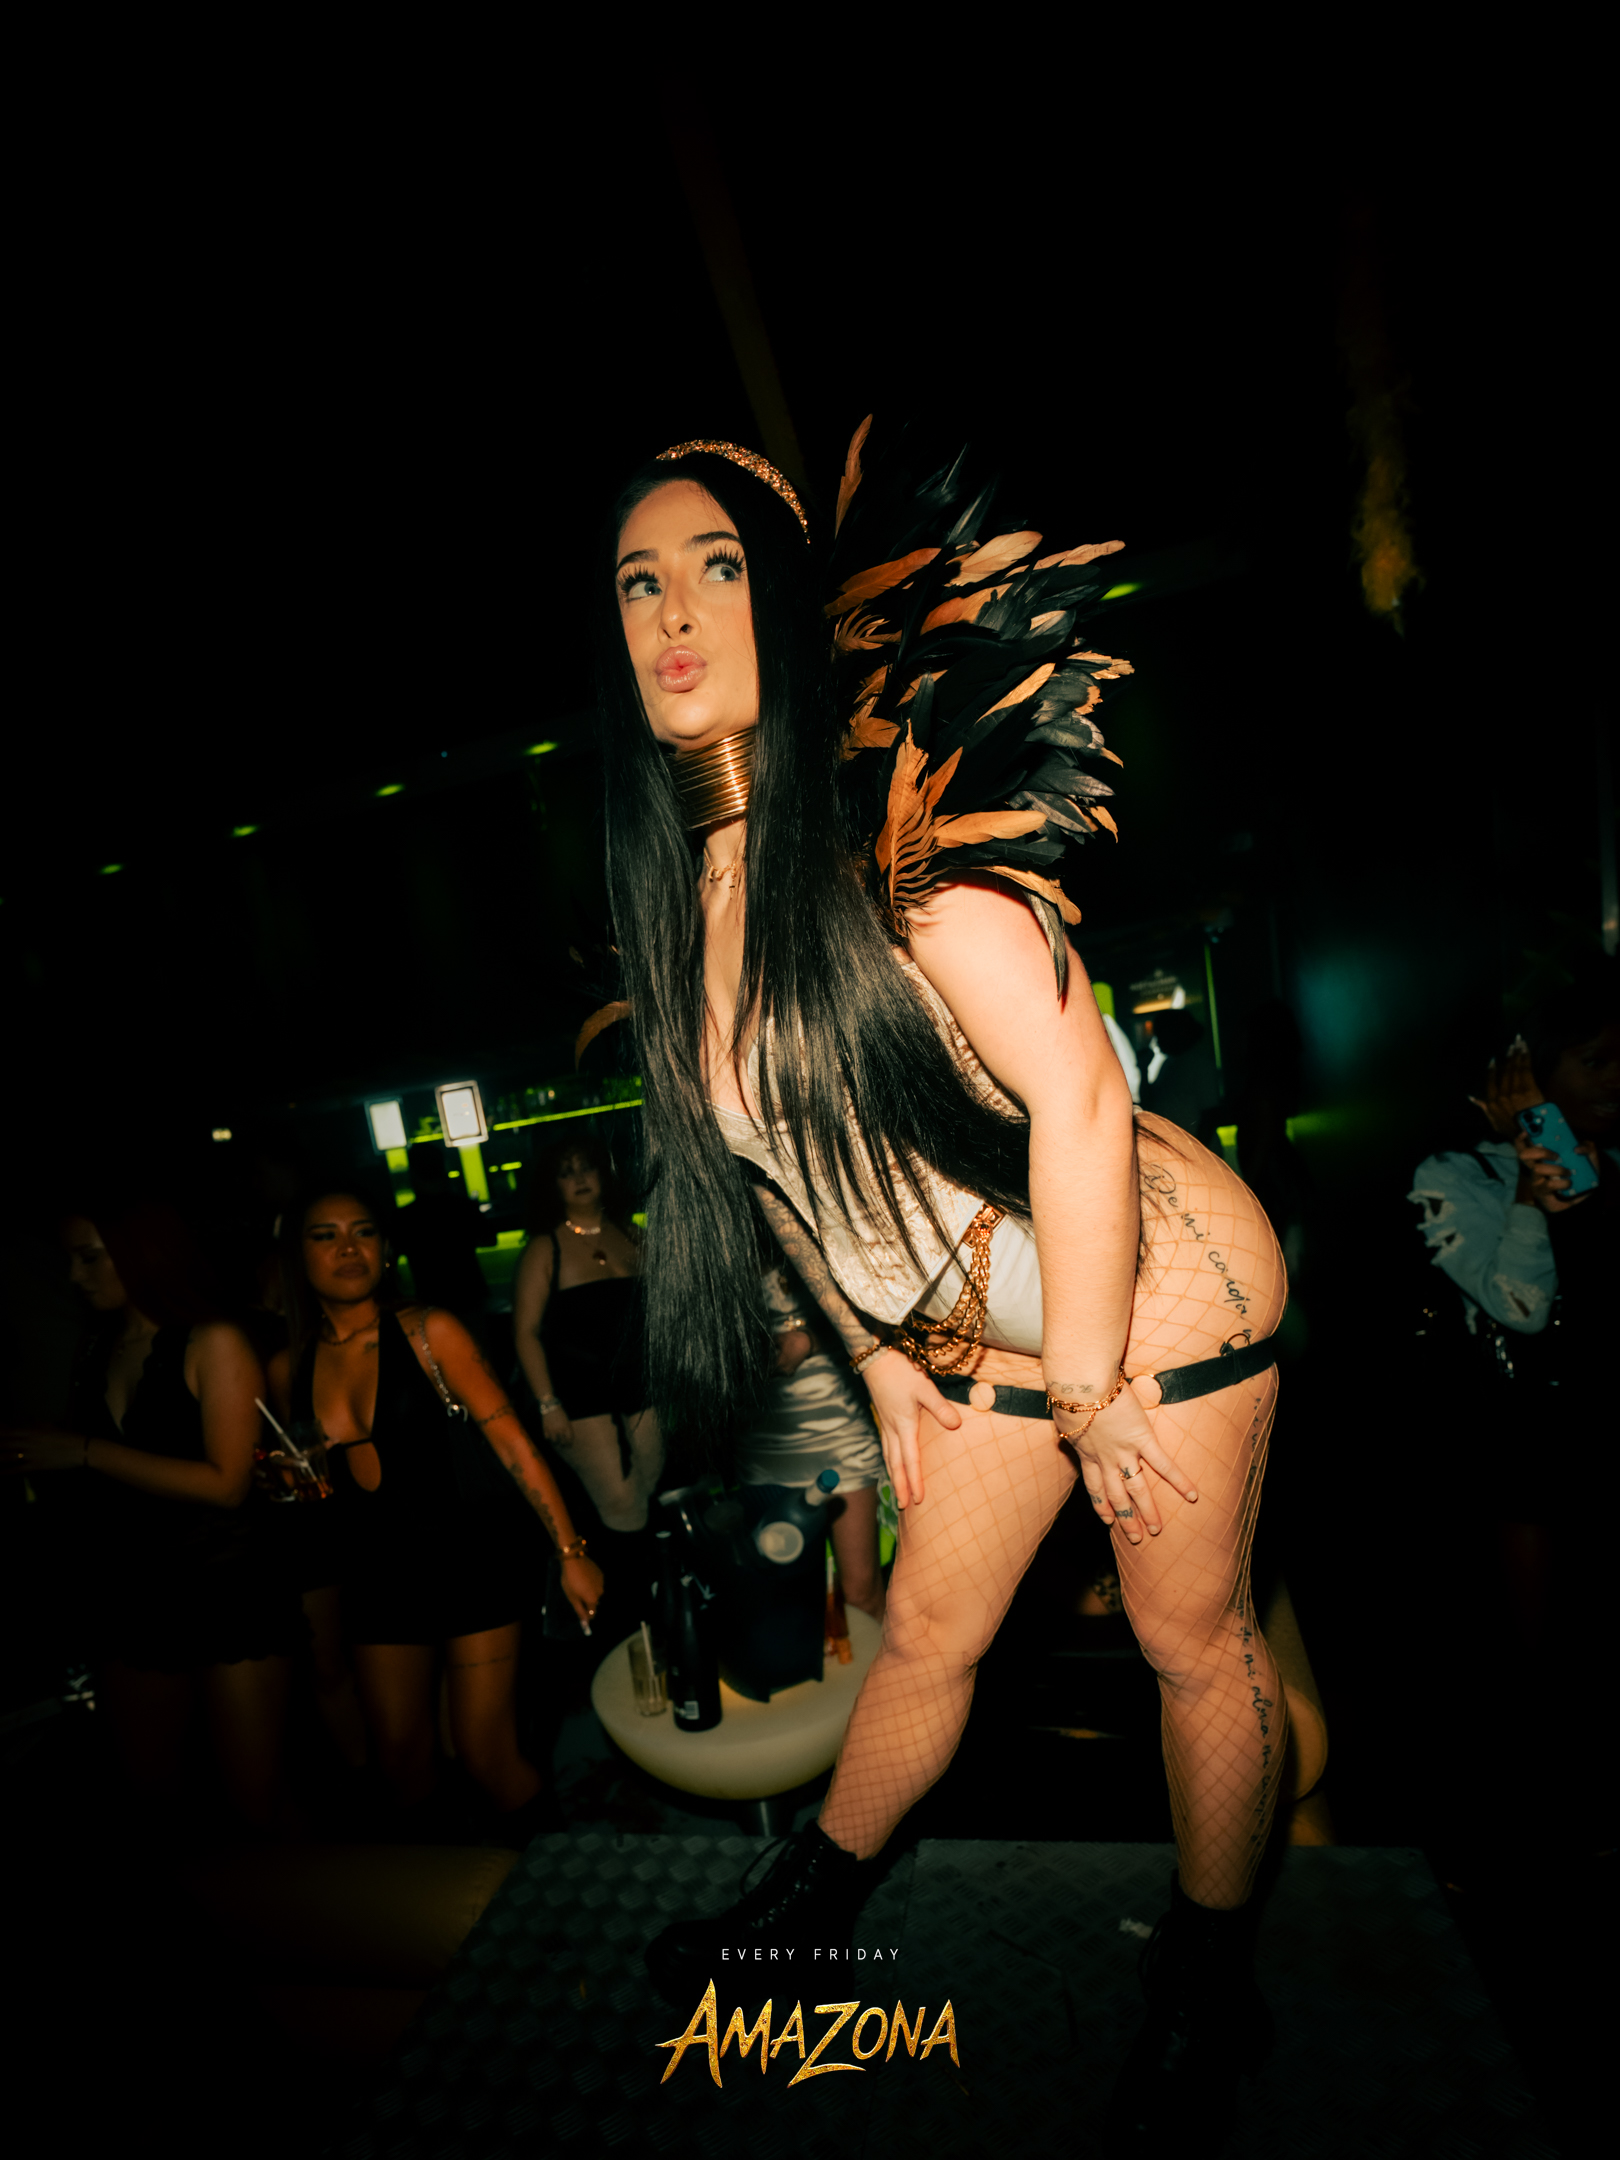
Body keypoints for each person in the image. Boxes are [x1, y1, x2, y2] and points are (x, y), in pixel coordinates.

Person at [590, 425, 1291, 2147]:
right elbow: (773, 1181)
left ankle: (1209, 1987)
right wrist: (884, 1362)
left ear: (788, 596)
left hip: (1160, 1286)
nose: (672, 611)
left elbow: (1081, 1100)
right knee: (926, 1635)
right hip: (981, 1316)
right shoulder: (692, 909)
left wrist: (1092, 1386)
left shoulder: (900, 849)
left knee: (1186, 1643)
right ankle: (806, 1921)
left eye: (717, 568)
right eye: (638, 582)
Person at [267, 1187, 602, 1839]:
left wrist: (571, 1552)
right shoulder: (289, 1368)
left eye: (363, 1231)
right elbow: (316, 1493)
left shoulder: (429, 1331)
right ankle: (455, 1886)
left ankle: (556, 1879)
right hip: (377, 1583)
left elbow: (514, 1444)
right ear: (297, 1257)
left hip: (468, 1567)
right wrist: (289, 1479)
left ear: (386, 1249)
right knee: (400, 1762)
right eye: (325, 1235)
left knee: (486, 1756)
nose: (348, 1248)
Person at [3, 1201, 305, 1836]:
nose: (75, 1276)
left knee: (255, 1804)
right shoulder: (96, 1348)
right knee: (152, 1804)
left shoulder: (212, 1340)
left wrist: (84, 1451)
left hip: (224, 1588)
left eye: (90, 1257)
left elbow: (227, 1485)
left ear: (141, 1254)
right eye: (70, 1260)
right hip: (133, 1593)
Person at [511, 1135, 662, 1534]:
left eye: (585, 1167)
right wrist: (548, 1404)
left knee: (651, 1489)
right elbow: (525, 1332)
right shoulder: (545, 1249)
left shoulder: (632, 1235)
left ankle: (658, 1570)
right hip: (579, 1393)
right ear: (552, 1185)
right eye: (566, 1172)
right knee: (620, 1503)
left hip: (641, 1384)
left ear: (603, 1174)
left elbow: (664, 1313)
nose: (579, 1178)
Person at [739, 1256, 886, 1623]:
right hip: (760, 1436)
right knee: (786, 1603)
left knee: (860, 1595)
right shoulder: (710, 1242)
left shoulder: (809, 1227)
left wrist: (807, 1339)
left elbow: (878, 1315)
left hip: (835, 1428)